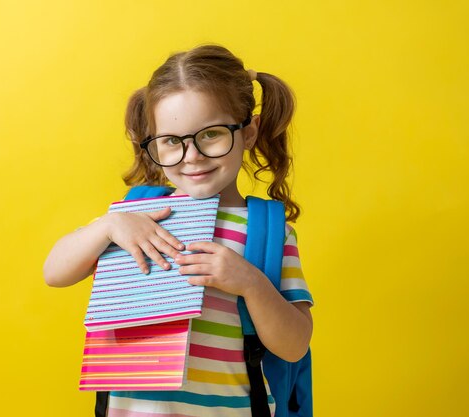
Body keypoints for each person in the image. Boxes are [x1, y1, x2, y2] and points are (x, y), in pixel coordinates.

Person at [43, 44, 314, 417]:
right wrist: (107, 225)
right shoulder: (133, 218)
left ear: (248, 133)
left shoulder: (267, 232)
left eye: (211, 134)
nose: (192, 156)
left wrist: (251, 283)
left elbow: (295, 345)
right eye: (171, 141)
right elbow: (54, 273)